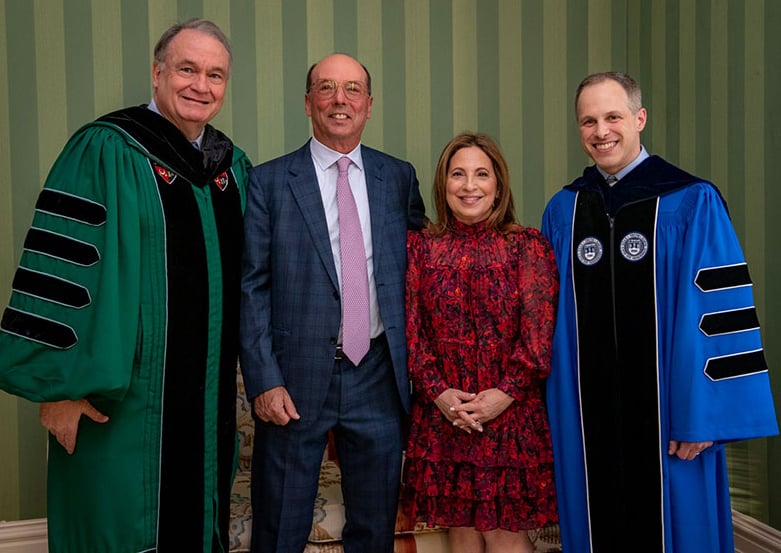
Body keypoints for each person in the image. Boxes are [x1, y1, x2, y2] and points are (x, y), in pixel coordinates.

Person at [0, 18, 251, 553]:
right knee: (121, 527)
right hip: (123, 403)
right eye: (187, 69)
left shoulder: (232, 169)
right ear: (157, 73)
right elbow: (63, 272)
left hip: (207, 402)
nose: (200, 86)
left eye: (215, 75)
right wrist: (60, 390)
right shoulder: (105, 150)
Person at [541, 71, 778, 553]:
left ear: (639, 118)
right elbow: (548, 324)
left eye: (613, 116)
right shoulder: (564, 210)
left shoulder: (691, 202)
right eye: (588, 121)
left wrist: (702, 420)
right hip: (585, 419)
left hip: (672, 418)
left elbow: (716, 317)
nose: (601, 131)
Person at [239, 53, 426, 553]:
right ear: (307, 103)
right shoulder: (269, 183)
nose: (339, 100)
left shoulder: (399, 178)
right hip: (294, 381)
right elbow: (251, 286)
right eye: (326, 88)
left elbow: (423, 274)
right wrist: (264, 379)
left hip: (379, 376)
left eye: (351, 89)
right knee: (280, 529)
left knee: (373, 528)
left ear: (369, 104)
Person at [403, 132, 559, 553]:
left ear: (498, 185)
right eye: (458, 174)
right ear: (443, 184)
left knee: (504, 537)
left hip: (510, 418)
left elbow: (538, 337)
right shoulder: (420, 249)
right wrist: (439, 395)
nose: (469, 185)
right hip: (445, 418)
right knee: (463, 535)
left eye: (481, 174)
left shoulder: (526, 247)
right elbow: (410, 335)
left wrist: (502, 396)